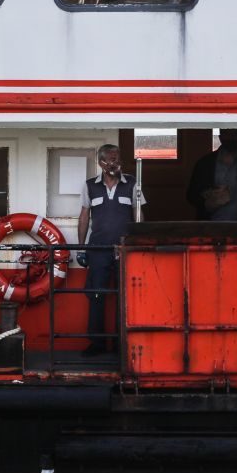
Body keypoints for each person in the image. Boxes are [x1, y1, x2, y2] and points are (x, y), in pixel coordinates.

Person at [77, 144, 145, 356]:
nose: (114, 163)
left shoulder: (133, 183)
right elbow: (84, 217)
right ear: (101, 163)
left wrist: (138, 242)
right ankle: (96, 344)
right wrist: (81, 249)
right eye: (109, 160)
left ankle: (121, 344)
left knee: (124, 297)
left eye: (117, 159)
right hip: (98, 250)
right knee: (96, 296)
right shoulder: (90, 186)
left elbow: (139, 214)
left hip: (125, 250)